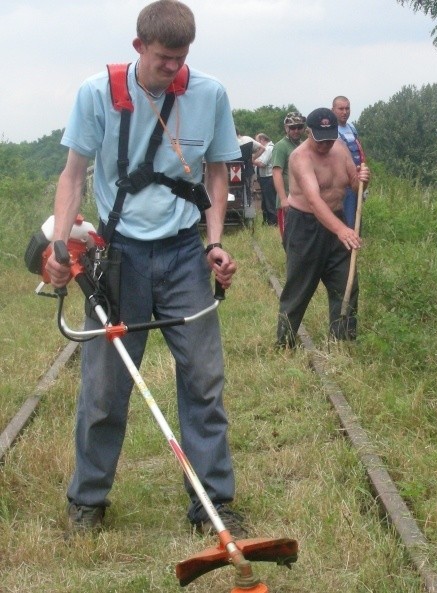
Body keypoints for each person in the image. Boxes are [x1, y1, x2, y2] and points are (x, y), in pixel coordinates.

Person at [45, 0, 247, 537]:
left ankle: (213, 505)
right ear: (139, 48)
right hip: (119, 257)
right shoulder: (97, 94)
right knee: (105, 386)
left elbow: (218, 171)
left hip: (184, 252)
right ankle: (88, 501)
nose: (172, 69)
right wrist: (62, 244)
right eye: (162, 59)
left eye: (180, 59)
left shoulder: (209, 94)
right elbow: (72, 175)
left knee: (204, 380)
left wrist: (214, 243)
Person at [276, 108, 370, 348]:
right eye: (320, 138)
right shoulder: (300, 157)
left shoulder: (339, 149)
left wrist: (363, 181)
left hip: (336, 221)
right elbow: (314, 201)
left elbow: (355, 187)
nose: (326, 144)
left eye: (329, 137)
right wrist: (342, 230)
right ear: (309, 132)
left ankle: (342, 341)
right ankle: (285, 343)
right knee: (299, 288)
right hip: (305, 226)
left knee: (346, 283)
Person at [331, 96, 365, 229]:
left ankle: (354, 247)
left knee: (355, 219)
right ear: (332, 109)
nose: (344, 112)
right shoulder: (331, 131)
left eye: (347, 108)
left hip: (356, 181)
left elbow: (359, 151)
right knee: (344, 220)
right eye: (340, 109)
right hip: (341, 183)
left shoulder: (352, 128)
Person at [272, 111, 305, 239]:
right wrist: (283, 199)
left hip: (302, 200)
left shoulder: (303, 145)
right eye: (292, 127)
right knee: (289, 238)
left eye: (299, 127)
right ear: (286, 128)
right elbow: (276, 172)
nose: (296, 130)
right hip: (287, 201)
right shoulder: (281, 146)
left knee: (303, 238)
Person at [253, 133, 277, 225]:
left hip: (268, 177)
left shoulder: (269, 148)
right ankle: (267, 221)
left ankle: (273, 222)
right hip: (264, 178)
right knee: (265, 202)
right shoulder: (265, 149)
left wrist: (251, 160)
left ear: (262, 139)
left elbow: (262, 163)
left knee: (270, 201)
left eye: (257, 141)